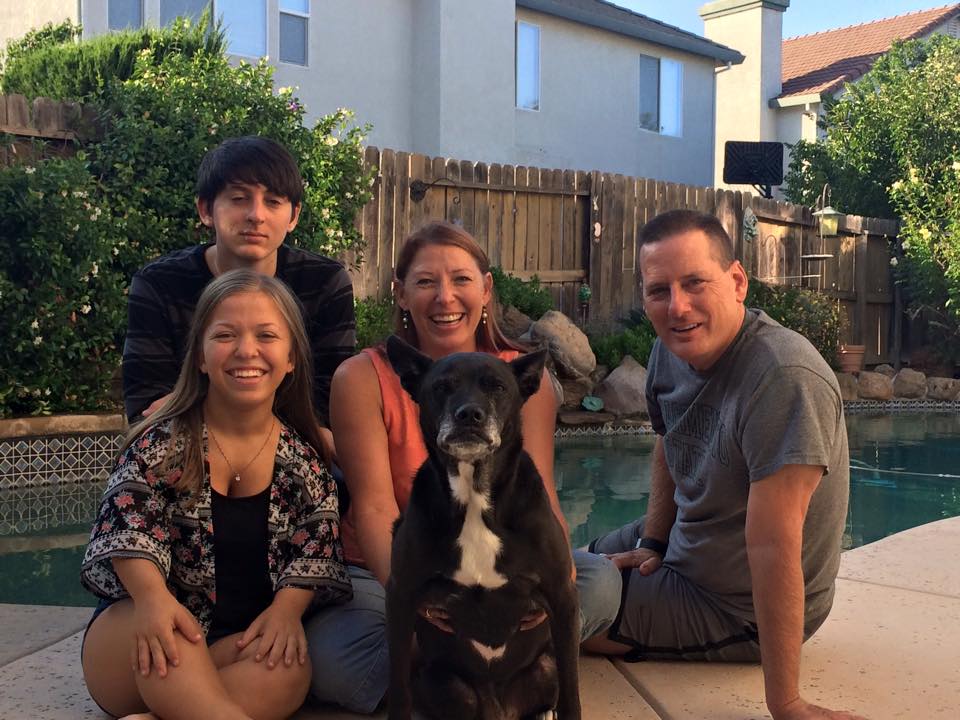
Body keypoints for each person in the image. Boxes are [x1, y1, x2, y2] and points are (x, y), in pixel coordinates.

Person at [303, 221, 623, 713]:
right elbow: (372, 507)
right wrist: (418, 605)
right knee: (330, 654)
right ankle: (491, 664)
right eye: (426, 282)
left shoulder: (520, 382)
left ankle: (471, 668)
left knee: (598, 580)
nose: (444, 297)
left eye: (461, 280)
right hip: (396, 568)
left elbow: (542, 503)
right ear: (402, 294)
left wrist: (560, 585)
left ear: (487, 290)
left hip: (501, 572)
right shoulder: (365, 377)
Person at [582, 210, 865, 720]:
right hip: (684, 543)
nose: (678, 306)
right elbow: (668, 444)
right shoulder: (670, 350)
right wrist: (653, 541)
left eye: (695, 283)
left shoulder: (783, 377)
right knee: (552, 564)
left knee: (550, 607)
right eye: (659, 290)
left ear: (737, 281)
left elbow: (773, 545)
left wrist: (787, 704)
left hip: (737, 606)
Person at [81, 270, 352, 720]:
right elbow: (127, 533)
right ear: (202, 358)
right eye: (225, 335)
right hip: (139, 640)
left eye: (266, 335)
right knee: (172, 631)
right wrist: (153, 600)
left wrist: (287, 613)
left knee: (288, 670)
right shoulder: (160, 446)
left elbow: (314, 555)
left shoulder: (306, 467)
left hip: (230, 649)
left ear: (290, 360)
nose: (246, 350)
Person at [121, 135, 355, 457]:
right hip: (188, 460)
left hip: (295, 460)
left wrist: (201, 404)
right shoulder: (160, 284)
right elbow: (147, 410)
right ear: (206, 209)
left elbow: (330, 407)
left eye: (273, 202)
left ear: (293, 216)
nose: (256, 215)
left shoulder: (325, 282)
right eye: (239, 198)